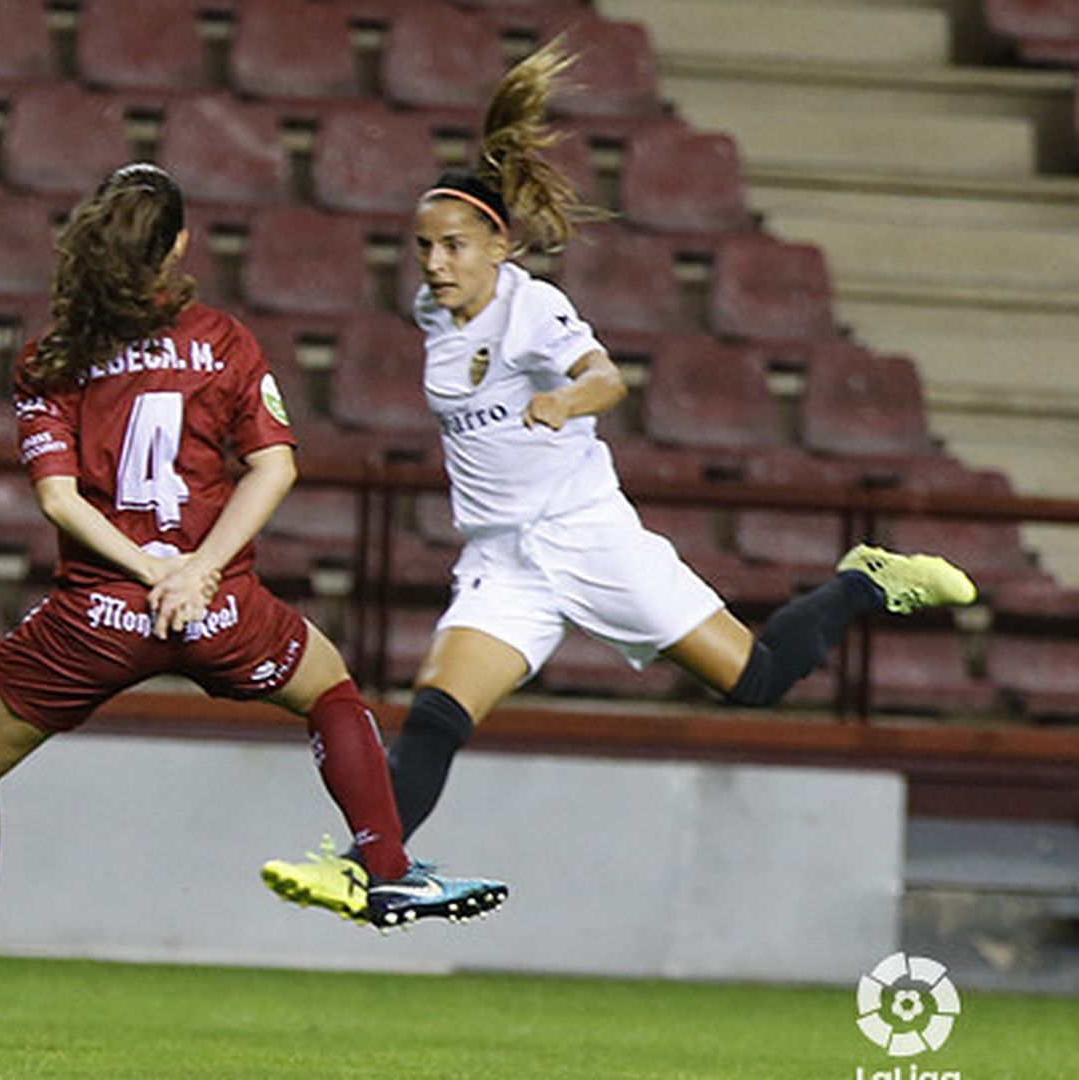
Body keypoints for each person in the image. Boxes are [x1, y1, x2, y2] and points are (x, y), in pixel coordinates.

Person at [260, 41, 978, 924]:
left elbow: (609, 378)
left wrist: (566, 402)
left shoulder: (533, 309)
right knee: (439, 711)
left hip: (588, 533)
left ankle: (865, 581)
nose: (435, 264)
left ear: (500, 246)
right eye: (424, 249)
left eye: (452, 247)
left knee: (753, 679)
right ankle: (367, 870)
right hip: (504, 560)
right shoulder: (432, 309)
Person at [0, 163, 486, 1035]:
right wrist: (197, 573)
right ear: (181, 244)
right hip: (220, 608)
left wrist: (150, 574)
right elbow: (277, 465)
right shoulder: (223, 340)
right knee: (330, 687)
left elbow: (58, 498)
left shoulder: (54, 356)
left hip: (98, 614)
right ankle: (388, 868)